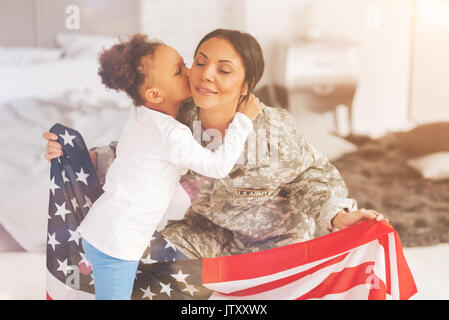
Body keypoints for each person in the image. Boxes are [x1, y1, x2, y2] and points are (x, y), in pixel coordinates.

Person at [43, 29, 387, 296]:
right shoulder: (180, 116)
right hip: (206, 233)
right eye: (200, 62)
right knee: (131, 259)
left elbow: (313, 175)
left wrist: (339, 214)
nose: (205, 75)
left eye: (223, 70)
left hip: (275, 242)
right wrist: (80, 158)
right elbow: (135, 154)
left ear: (245, 86)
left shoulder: (275, 129)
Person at [47, 34, 262, 300]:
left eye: (184, 63)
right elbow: (218, 167)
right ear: (155, 94)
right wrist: (243, 120)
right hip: (116, 245)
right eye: (177, 71)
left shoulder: (142, 113)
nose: (188, 71)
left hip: (104, 231)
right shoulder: (170, 133)